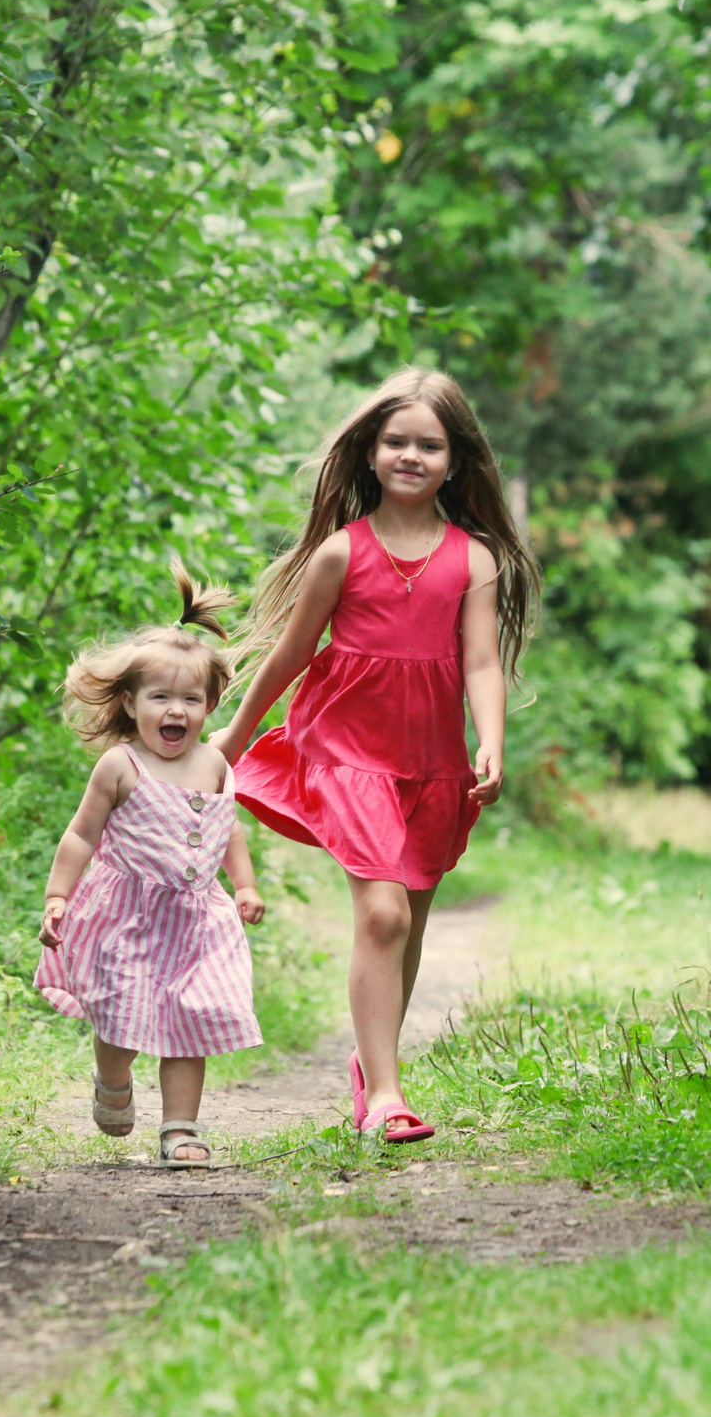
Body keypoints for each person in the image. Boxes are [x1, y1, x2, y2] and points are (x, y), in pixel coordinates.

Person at [216, 368, 538, 1144]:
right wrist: (229, 740)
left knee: (411, 921)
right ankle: (388, 1095)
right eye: (396, 441)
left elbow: (482, 664)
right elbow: (292, 653)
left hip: (431, 761)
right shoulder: (340, 553)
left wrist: (490, 741)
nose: (411, 455)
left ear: (455, 461)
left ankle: (374, 1064)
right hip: (346, 749)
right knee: (385, 913)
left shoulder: (474, 560)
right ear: (370, 453)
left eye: (429, 444)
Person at [35, 570, 267, 1169]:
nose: (176, 710)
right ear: (131, 703)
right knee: (118, 1013)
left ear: (210, 707)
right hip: (128, 917)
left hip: (198, 922)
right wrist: (58, 896)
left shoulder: (214, 762)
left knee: (193, 1021)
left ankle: (180, 1130)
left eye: (191, 700)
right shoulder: (120, 764)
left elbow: (230, 825)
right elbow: (81, 834)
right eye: (160, 697)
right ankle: (113, 1080)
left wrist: (243, 885)